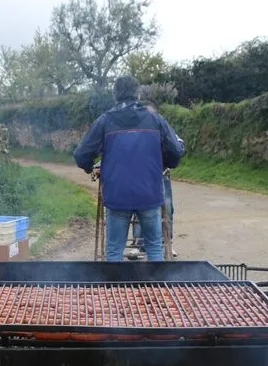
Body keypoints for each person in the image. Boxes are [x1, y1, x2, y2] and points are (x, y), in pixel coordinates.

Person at [73, 76, 185, 261]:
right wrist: (166, 164)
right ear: (138, 94)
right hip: (149, 194)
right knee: (154, 249)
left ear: (115, 95)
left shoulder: (105, 121)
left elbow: (81, 154)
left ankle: (114, 288)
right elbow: (175, 150)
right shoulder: (155, 119)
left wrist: (89, 168)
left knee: (114, 250)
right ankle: (155, 289)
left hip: (117, 196)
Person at [130, 100, 181, 258]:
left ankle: (167, 243)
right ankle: (138, 245)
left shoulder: (162, 126)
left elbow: (178, 144)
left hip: (161, 176)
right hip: (140, 177)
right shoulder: (135, 131)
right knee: (139, 210)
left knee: (167, 209)